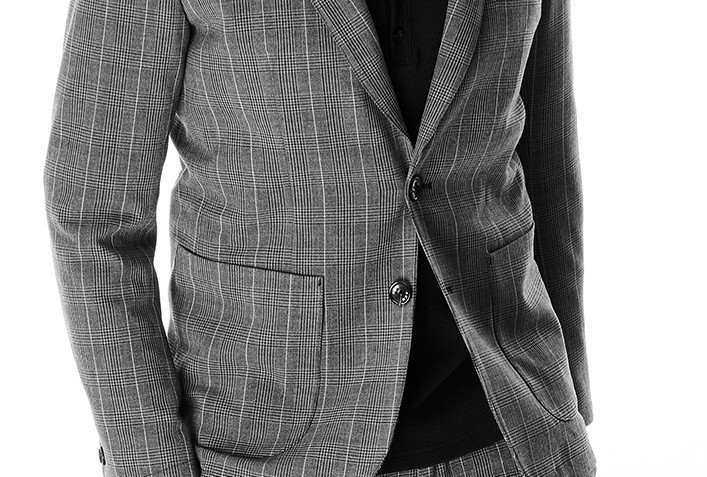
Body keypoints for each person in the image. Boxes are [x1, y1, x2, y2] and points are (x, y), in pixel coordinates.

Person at [43, 0, 596, 476]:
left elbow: (545, 156)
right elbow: (94, 216)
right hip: (268, 442)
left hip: (513, 434)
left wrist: (564, 404)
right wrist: (150, 462)